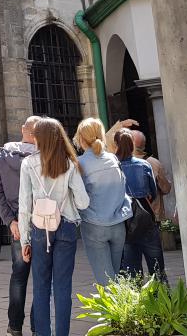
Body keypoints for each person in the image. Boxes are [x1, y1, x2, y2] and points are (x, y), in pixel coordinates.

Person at [19, 118, 90, 336]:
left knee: (40, 286)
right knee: (62, 286)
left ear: (38, 138)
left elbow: (24, 205)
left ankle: (42, 333)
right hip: (66, 227)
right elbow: (83, 202)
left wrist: (24, 239)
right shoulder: (69, 163)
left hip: (40, 229)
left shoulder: (28, 163)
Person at [0, 116, 40, 336]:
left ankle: (14, 326)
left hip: (17, 225)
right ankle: (38, 324)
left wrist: (10, 221)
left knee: (19, 276)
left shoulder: (1, 157)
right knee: (41, 275)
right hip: (41, 222)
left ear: (23, 130)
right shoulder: (42, 157)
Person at [73, 118, 131, 285]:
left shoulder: (80, 164)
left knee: (106, 282)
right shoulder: (113, 159)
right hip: (118, 224)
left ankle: (117, 311)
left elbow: (80, 198)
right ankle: (121, 310)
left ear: (81, 139)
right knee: (114, 279)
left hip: (94, 225)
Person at [115, 129, 166, 282]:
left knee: (132, 273)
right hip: (146, 219)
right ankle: (162, 302)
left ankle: (136, 304)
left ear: (116, 144)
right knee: (157, 270)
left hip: (125, 223)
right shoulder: (144, 165)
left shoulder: (114, 167)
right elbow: (153, 192)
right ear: (133, 145)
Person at [131, 130, 172, 222]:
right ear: (144, 145)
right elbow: (166, 189)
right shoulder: (154, 163)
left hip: (132, 219)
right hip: (154, 216)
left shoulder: (120, 163)